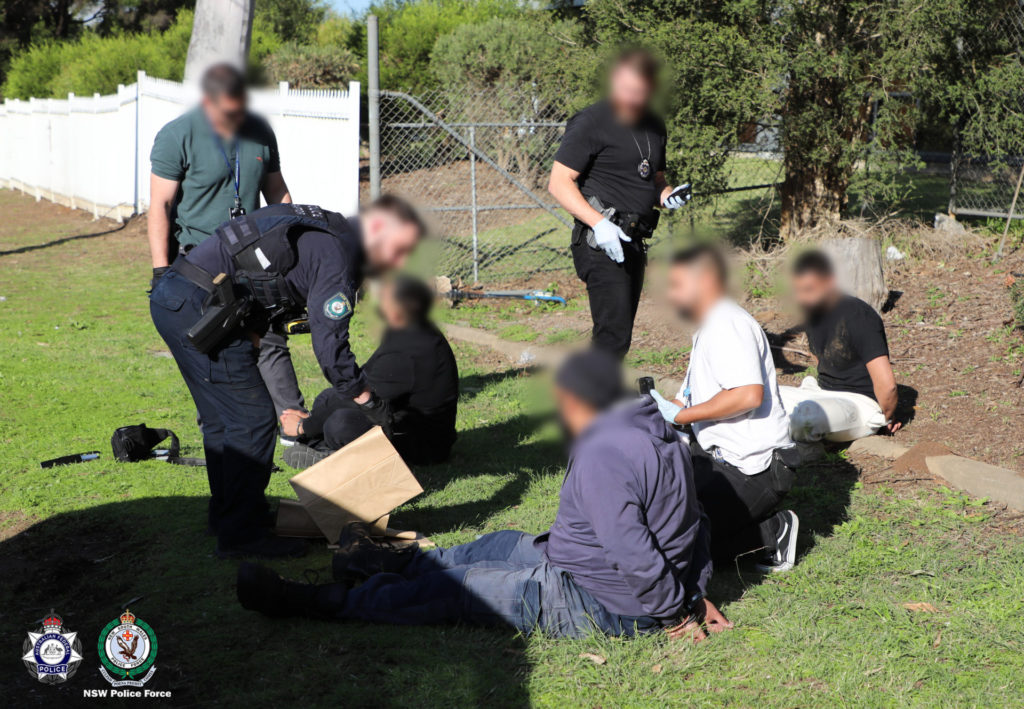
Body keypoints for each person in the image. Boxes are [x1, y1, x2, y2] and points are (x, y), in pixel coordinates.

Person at [236, 349, 732, 643]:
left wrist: (675, 611)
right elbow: (694, 522)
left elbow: (632, 548)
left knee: (457, 590)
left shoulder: (605, 452)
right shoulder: (659, 433)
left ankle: (313, 601)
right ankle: (375, 562)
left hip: (597, 598)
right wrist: (692, 585)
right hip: (577, 561)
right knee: (493, 546)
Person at [149, 196, 425, 558]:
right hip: (199, 308)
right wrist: (368, 400)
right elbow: (331, 351)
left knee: (223, 421)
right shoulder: (338, 257)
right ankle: (241, 536)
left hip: (177, 295)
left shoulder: (330, 231)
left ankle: (229, 518)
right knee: (252, 421)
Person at [148, 62, 306, 439]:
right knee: (212, 342)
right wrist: (160, 271)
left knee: (269, 338)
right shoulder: (176, 136)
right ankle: (218, 428)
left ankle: (294, 425)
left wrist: (292, 242)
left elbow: (277, 193)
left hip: (254, 258)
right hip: (201, 261)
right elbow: (160, 206)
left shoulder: (259, 131)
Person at [649, 245, 800, 572]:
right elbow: (689, 397)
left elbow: (747, 396)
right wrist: (658, 412)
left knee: (683, 546)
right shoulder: (707, 326)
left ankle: (773, 533)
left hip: (753, 468)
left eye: (676, 285)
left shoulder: (726, 323)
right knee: (658, 515)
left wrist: (681, 416)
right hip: (716, 457)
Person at [548, 48, 691, 358]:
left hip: (634, 240)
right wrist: (599, 224)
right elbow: (558, 183)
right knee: (611, 336)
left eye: (639, 91)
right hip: (600, 240)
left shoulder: (654, 125)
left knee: (619, 335)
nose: (630, 97)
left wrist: (668, 196)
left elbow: (653, 181)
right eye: (625, 89)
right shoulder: (591, 121)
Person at [280, 275, 459, 469]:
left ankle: (330, 455)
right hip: (403, 419)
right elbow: (367, 377)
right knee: (327, 398)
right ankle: (327, 451)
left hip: (424, 446)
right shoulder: (409, 330)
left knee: (340, 424)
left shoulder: (410, 349)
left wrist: (303, 426)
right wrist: (312, 420)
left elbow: (359, 394)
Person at [779, 250, 899, 442]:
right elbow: (821, 360)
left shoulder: (859, 315)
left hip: (860, 404)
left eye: (809, 289)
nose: (802, 299)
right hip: (822, 394)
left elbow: (888, 386)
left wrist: (887, 417)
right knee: (762, 398)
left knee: (806, 420)